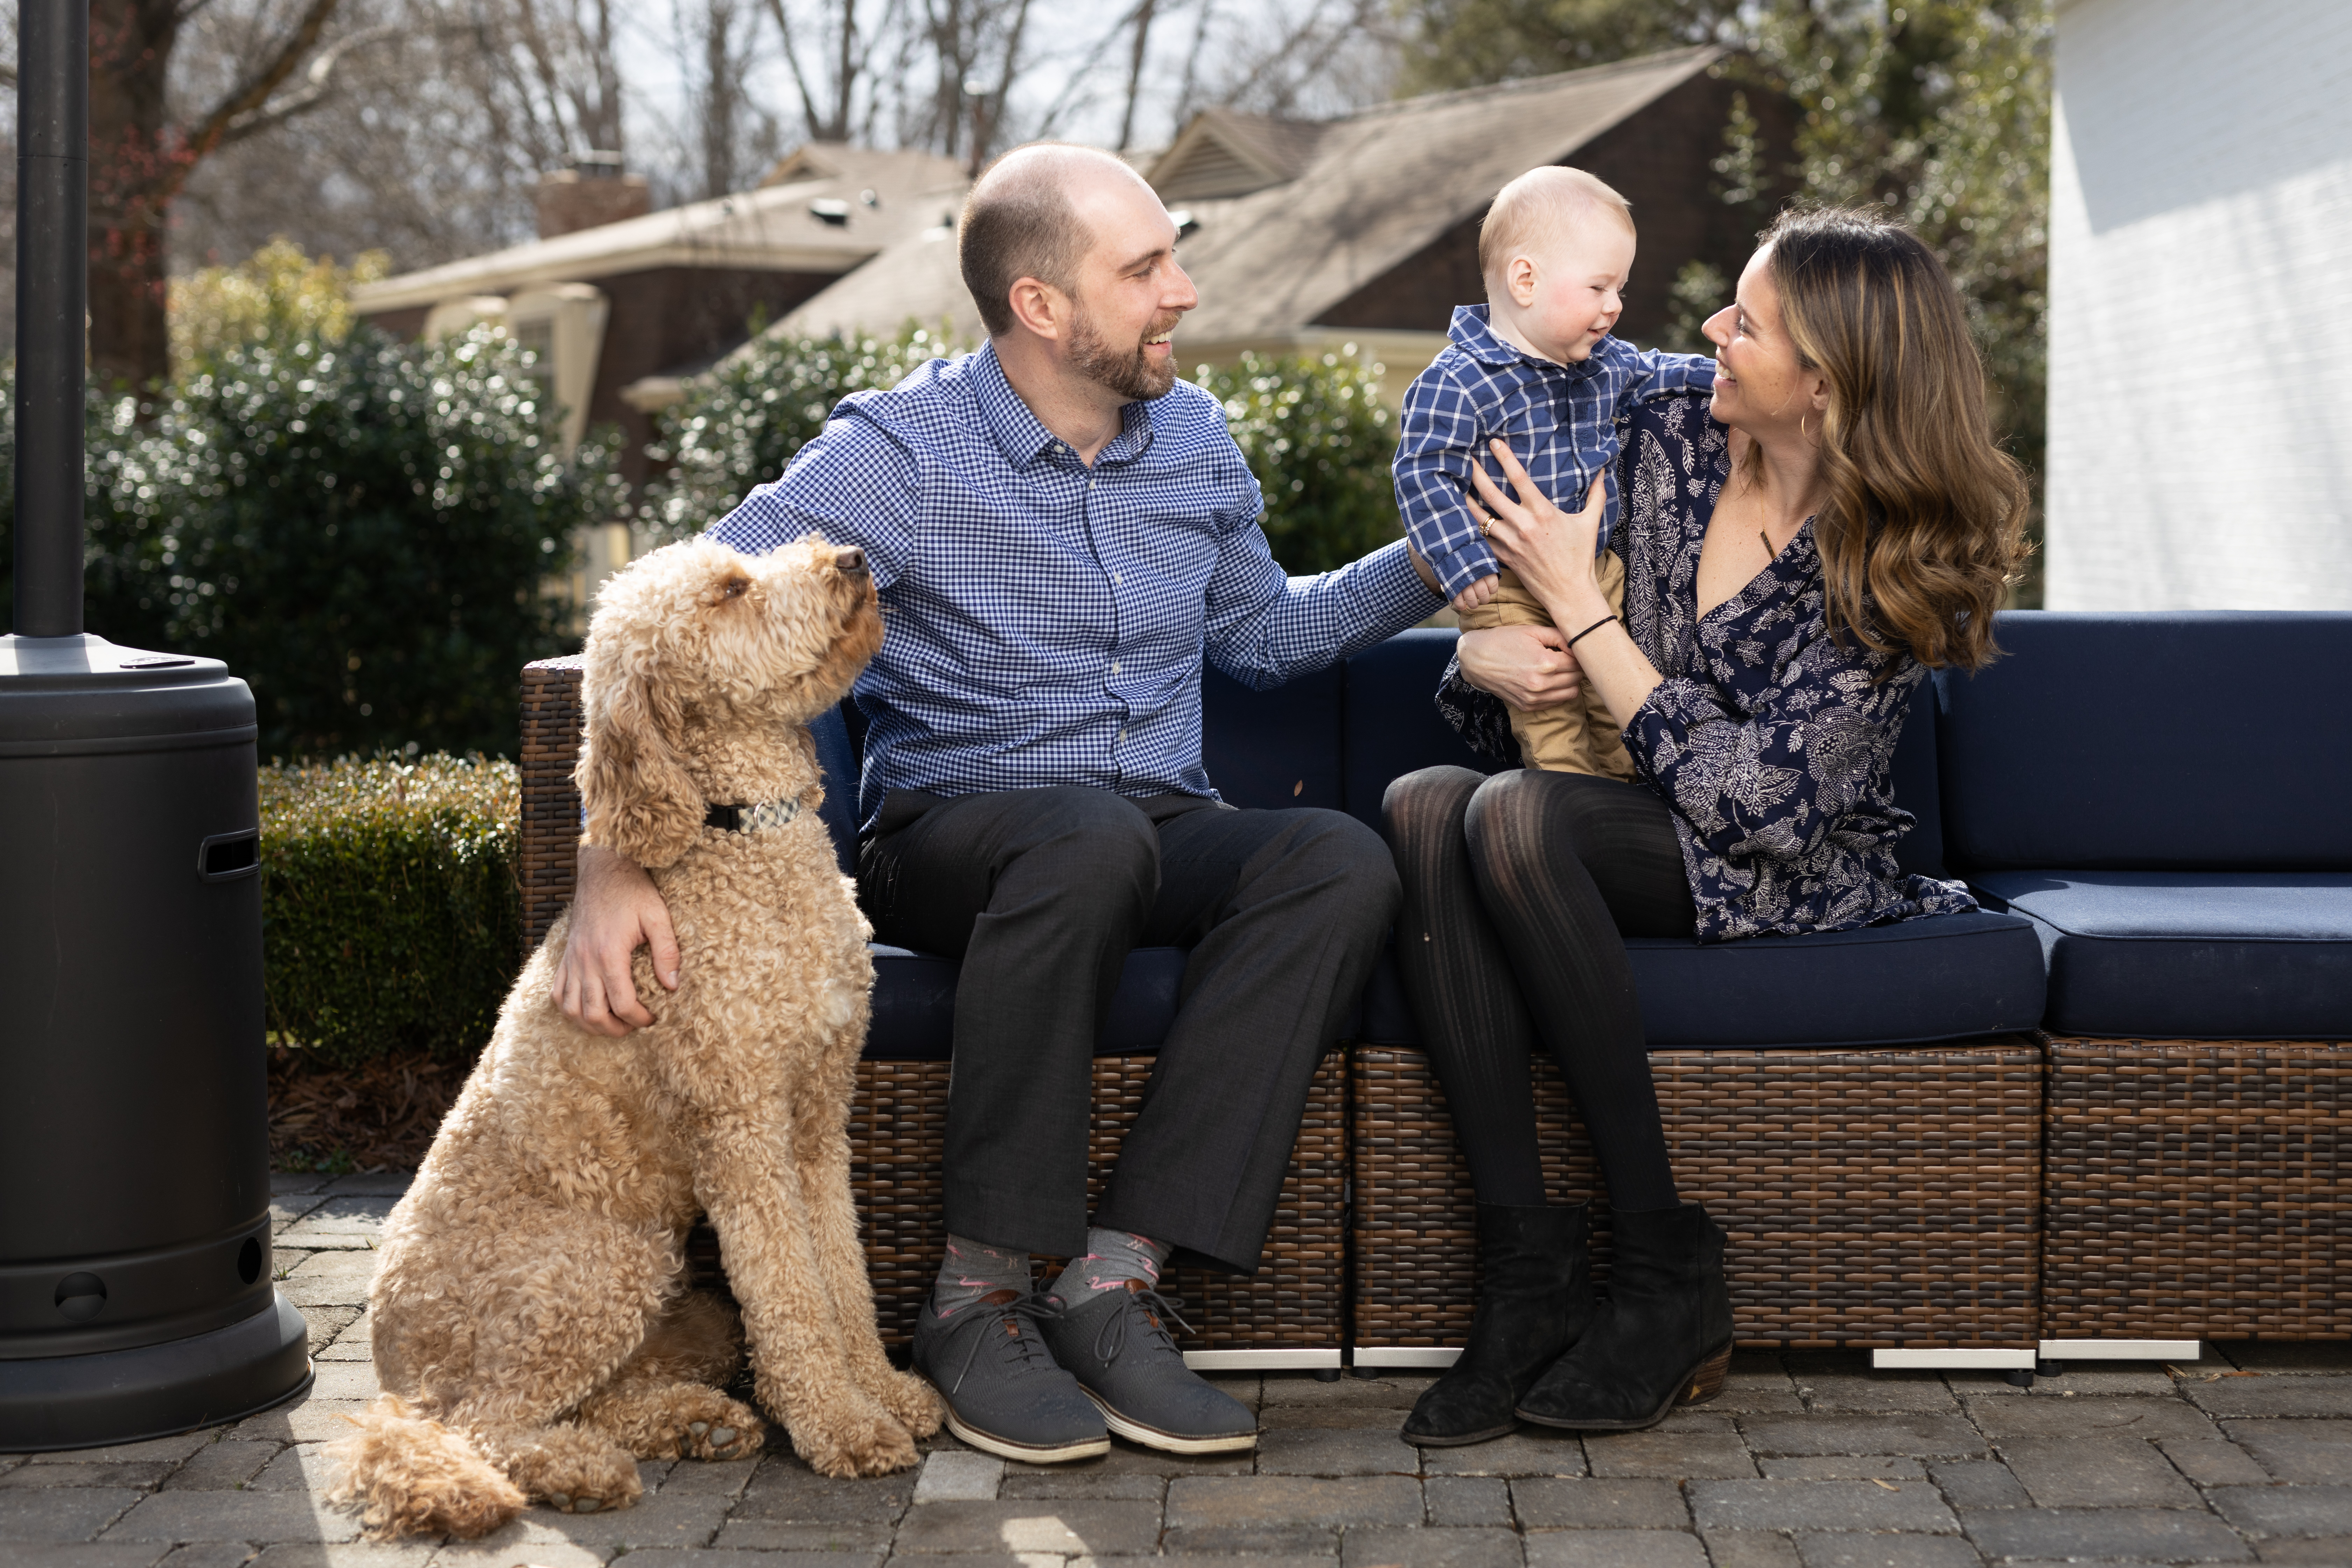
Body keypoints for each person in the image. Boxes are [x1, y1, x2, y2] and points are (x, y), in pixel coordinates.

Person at [552, 142, 1446, 1465]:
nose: (1182, 292)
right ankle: (976, 1299)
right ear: (1041, 306)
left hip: (1157, 822)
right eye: (1144, 268)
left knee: (1334, 856)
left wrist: (1445, 554)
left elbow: (1264, 635)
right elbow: (672, 616)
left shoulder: (1192, 437)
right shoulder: (899, 454)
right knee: (1081, 835)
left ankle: (1115, 1280)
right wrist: (609, 852)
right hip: (955, 834)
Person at [1382, 206, 2029, 1446]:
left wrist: (1585, 615)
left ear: (1824, 382)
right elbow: (1503, 660)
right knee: (1426, 804)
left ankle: (1665, 1270)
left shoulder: (1889, 557)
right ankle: (1526, 1287)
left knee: (1518, 822)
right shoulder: (1658, 428)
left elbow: (1772, 812)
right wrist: (1484, 657)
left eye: (1747, 320)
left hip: (1791, 868)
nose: (1714, 333)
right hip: (1603, 813)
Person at [1392, 165, 1715, 780]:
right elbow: (1423, 469)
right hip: (1508, 585)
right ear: (1525, 280)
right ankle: (1567, 806)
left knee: (1616, 708)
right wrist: (1460, 559)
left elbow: (1659, 371)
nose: (1615, 306)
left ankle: (1623, 802)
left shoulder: (1601, 365)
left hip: (1599, 574)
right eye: (1599, 287)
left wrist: (1724, 376)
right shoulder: (1458, 380)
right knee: (1552, 718)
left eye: (1621, 288)